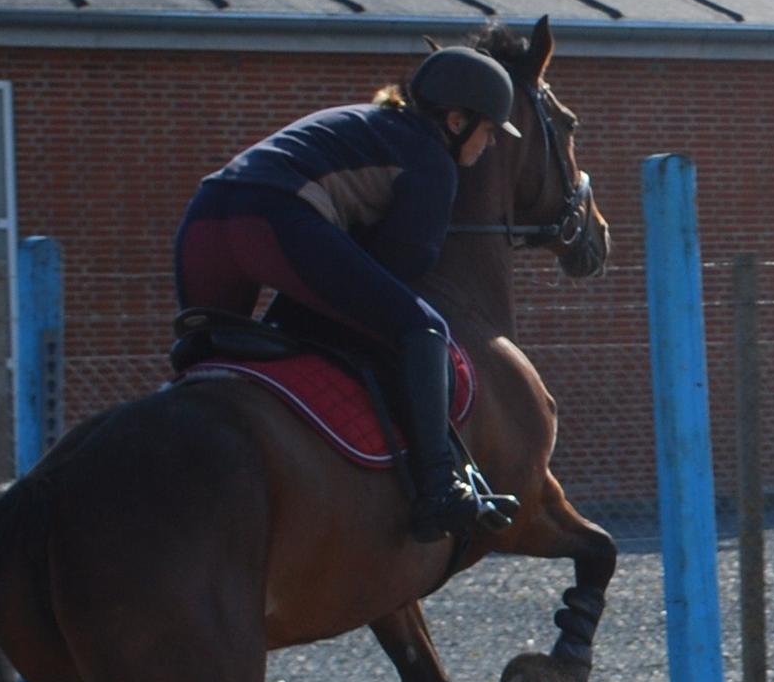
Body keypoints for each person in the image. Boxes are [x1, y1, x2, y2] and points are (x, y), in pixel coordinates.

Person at [173, 45, 521, 542]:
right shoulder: (430, 158)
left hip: (205, 220)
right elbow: (402, 264)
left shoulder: (365, 121)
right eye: (488, 130)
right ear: (457, 120)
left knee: (206, 362)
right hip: (273, 220)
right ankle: (439, 489)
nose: (490, 144)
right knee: (423, 327)